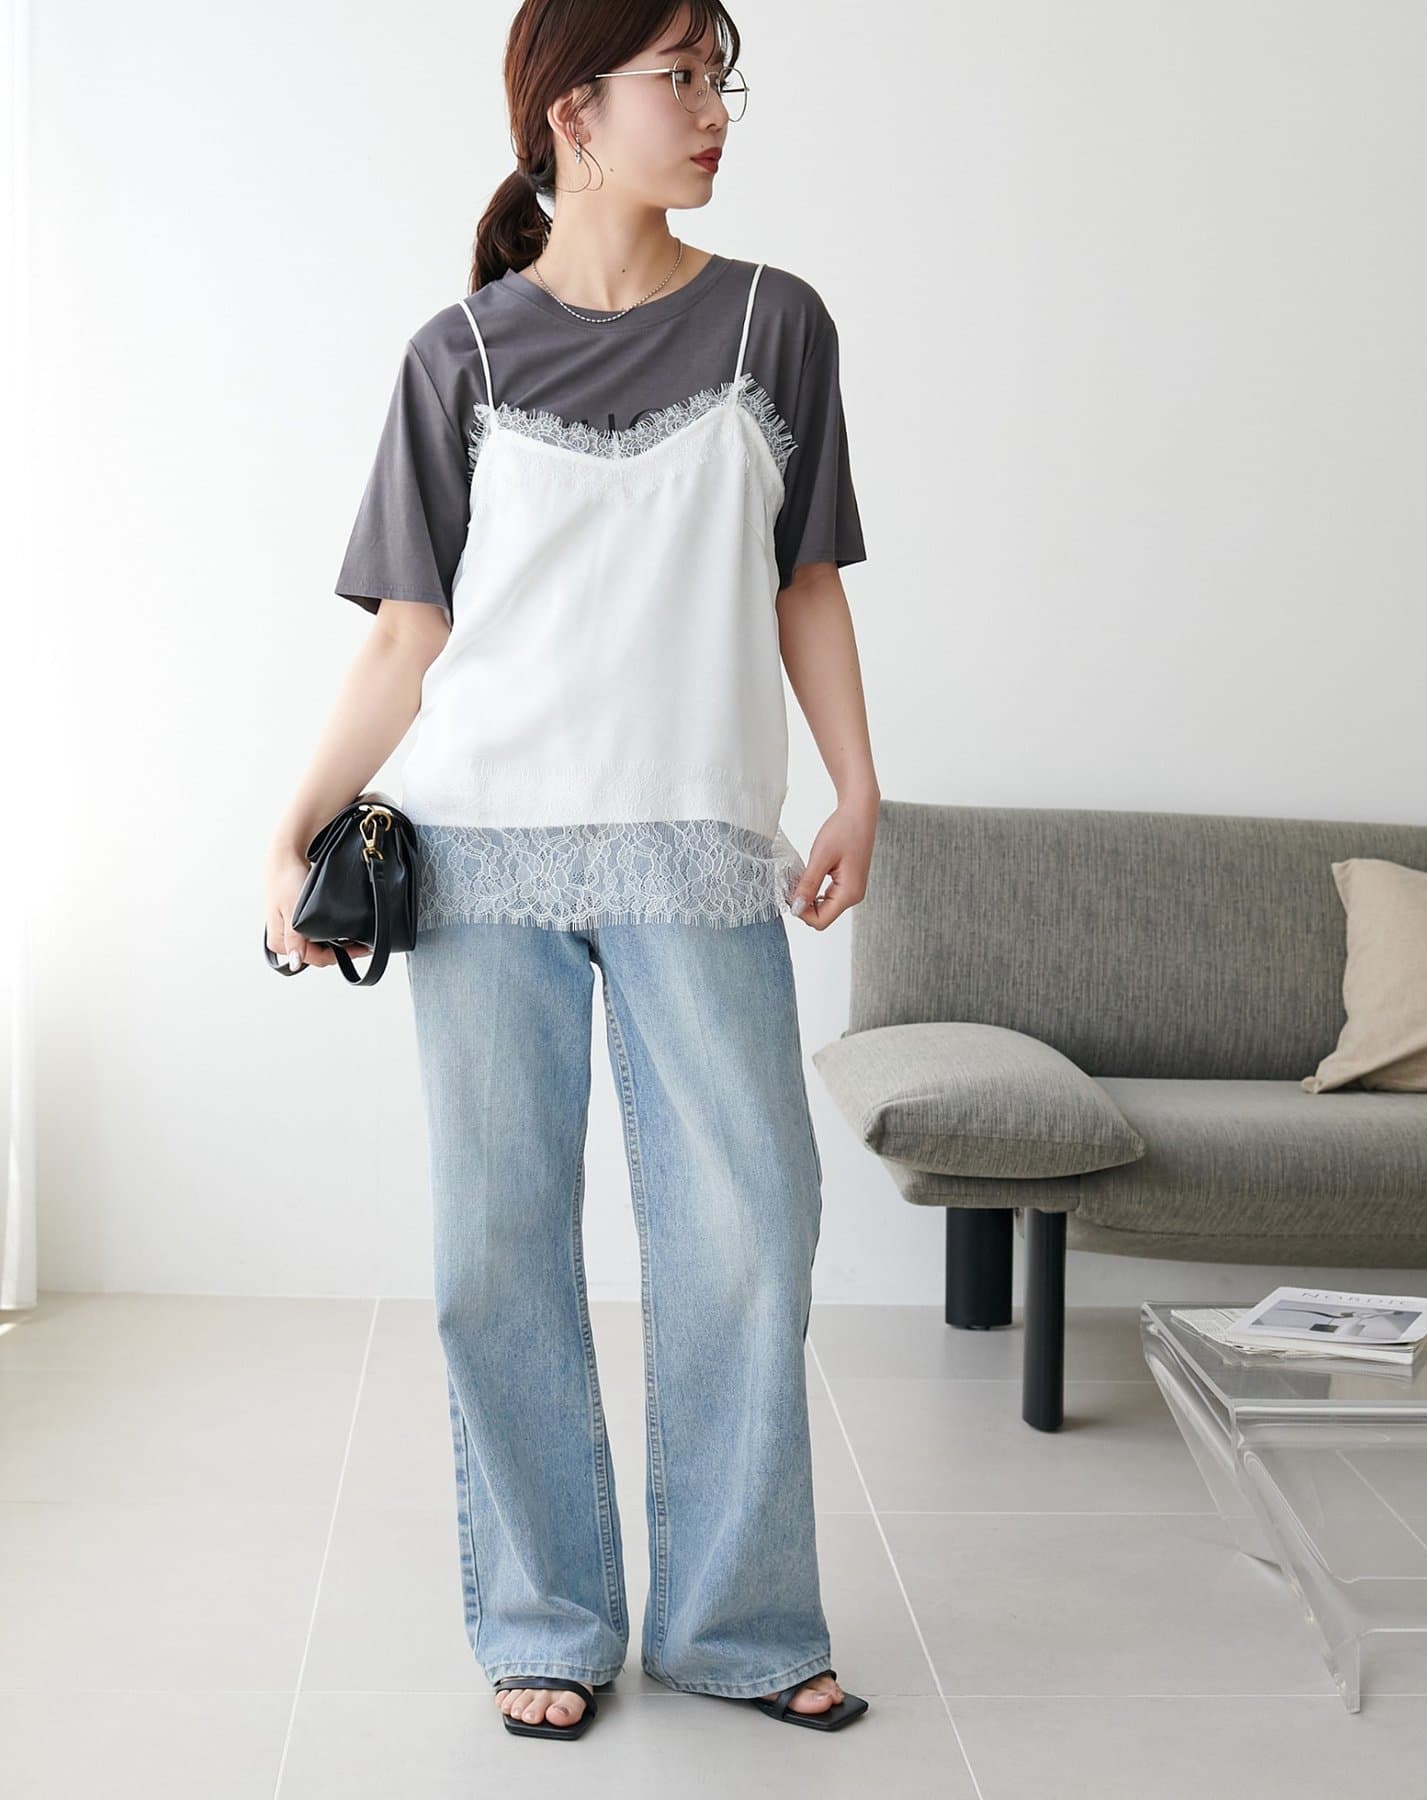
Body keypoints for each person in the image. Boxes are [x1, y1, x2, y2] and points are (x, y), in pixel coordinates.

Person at [264, 0, 878, 1741]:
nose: (713, 108)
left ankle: (739, 1624)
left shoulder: (775, 322)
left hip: (699, 855)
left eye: (719, 77)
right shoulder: (456, 353)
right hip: (480, 866)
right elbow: (408, 638)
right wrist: (294, 826)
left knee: (753, 1232)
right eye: (679, 77)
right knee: (496, 1252)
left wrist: (857, 785)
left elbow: (807, 582)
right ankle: (544, 1616)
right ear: (573, 114)